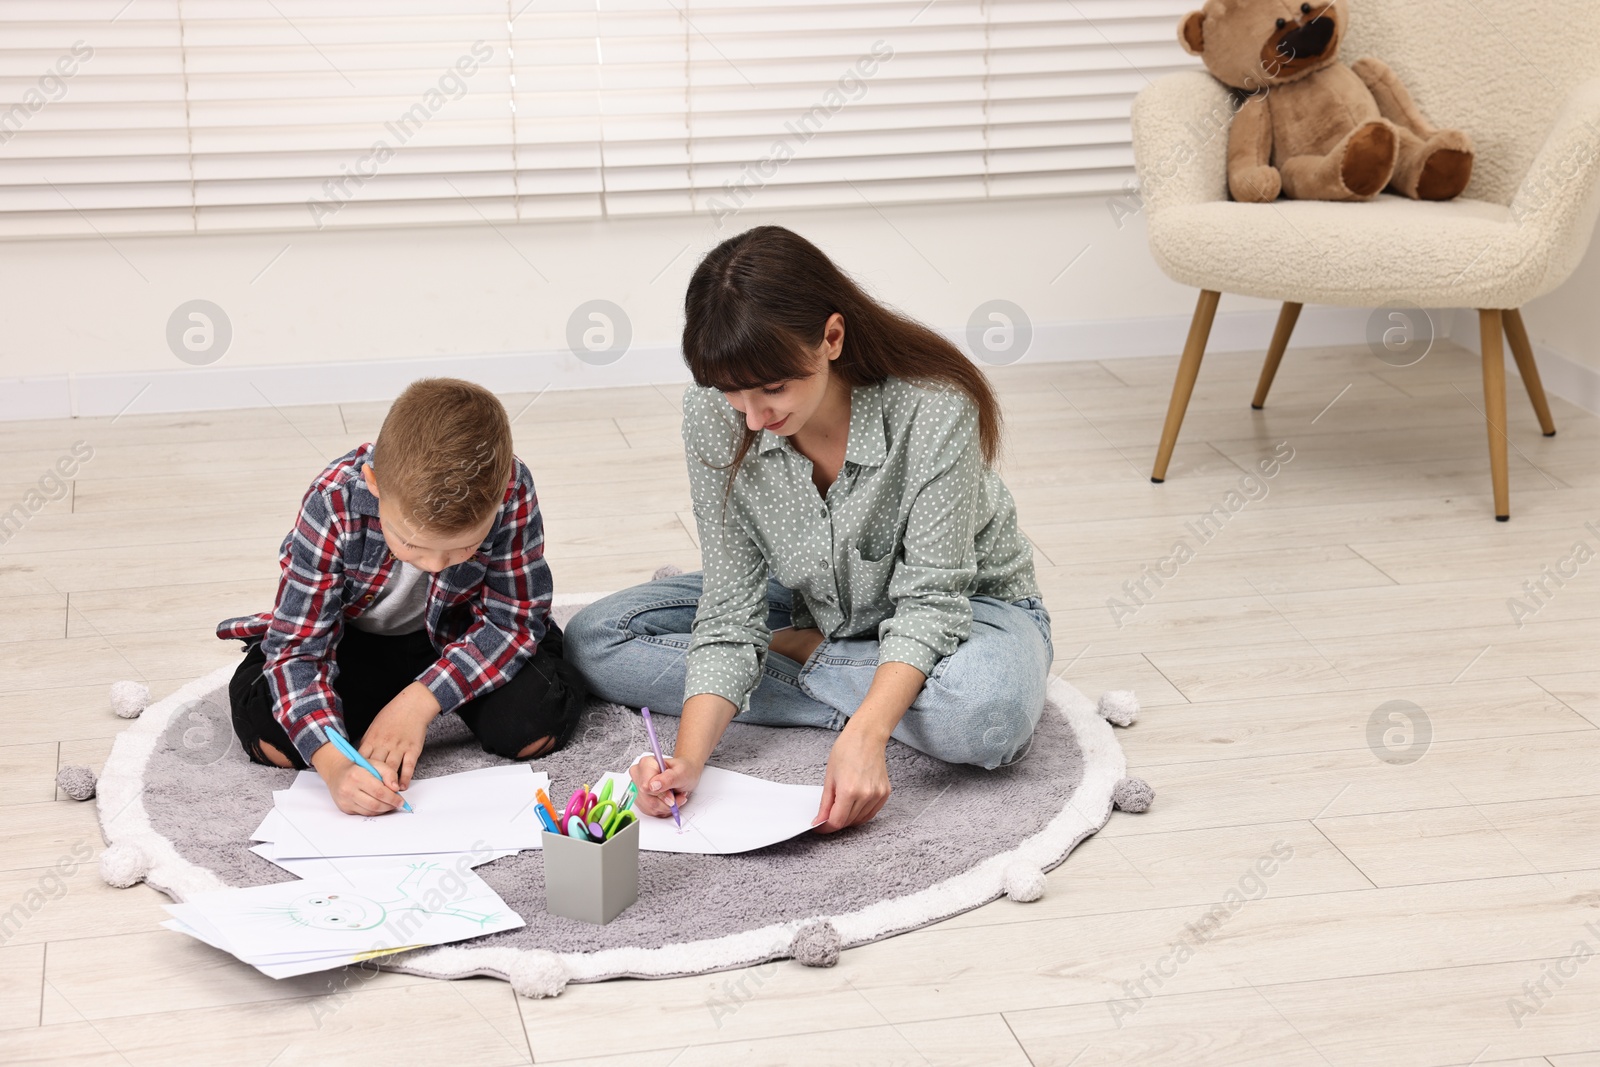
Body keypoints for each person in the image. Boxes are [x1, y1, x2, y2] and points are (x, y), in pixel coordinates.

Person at [565, 226, 1051, 833]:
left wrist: (867, 737)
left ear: (832, 337)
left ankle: (833, 675)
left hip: (968, 606)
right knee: (593, 640)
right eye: (731, 393)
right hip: (810, 596)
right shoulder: (716, 413)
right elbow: (730, 603)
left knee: (986, 713)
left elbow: (932, 602)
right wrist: (689, 759)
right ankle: (859, 674)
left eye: (773, 388)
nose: (754, 416)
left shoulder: (933, 408)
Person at [218, 377, 587, 815]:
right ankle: (372, 700)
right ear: (374, 483)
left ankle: (416, 693)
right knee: (274, 736)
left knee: (534, 726)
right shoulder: (333, 501)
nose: (433, 566)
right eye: (412, 545)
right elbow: (300, 651)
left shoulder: (510, 486)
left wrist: (419, 703)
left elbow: (511, 620)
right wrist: (335, 765)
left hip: (462, 633)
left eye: (463, 548)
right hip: (352, 640)